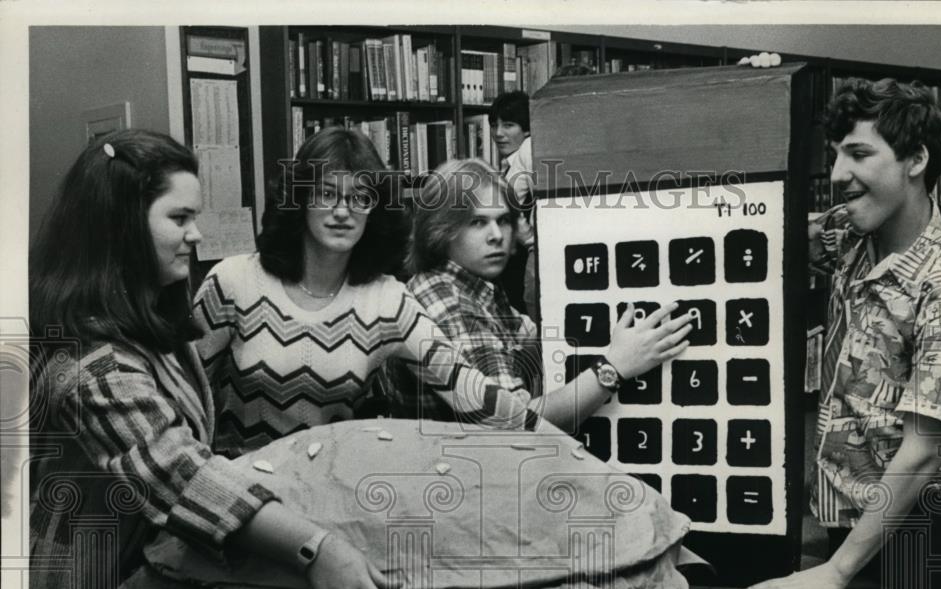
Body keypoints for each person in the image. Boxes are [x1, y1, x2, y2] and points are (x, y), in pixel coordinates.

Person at [28, 130, 400, 589]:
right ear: (121, 227)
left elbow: (202, 450)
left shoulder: (154, 331)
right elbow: (180, 474)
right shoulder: (91, 364)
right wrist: (316, 549)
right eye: (180, 217)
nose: (197, 234)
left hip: (147, 581)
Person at [744, 78, 941, 589]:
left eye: (858, 154)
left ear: (914, 160)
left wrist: (836, 570)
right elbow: (766, 228)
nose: (839, 174)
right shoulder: (853, 237)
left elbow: (920, 455)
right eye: (834, 154)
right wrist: (755, 97)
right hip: (856, 513)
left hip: (928, 522)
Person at [193, 126, 537, 462]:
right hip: (238, 494)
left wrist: (558, 439)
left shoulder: (387, 301)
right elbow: (184, 400)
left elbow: (471, 392)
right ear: (299, 199)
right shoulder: (233, 282)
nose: (343, 211)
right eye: (327, 193)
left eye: (360, 197)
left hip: (330, 493)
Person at [383, 157, 694, 433]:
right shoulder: (452, 303)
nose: (496, 235)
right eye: (477, 222)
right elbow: (517, 426)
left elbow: (529, 342)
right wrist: (615, 366)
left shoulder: (466, 285)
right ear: (440, 229)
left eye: (503, 220)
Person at [488, 90, 536, 316]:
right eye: (494, 125)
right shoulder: (509, 165)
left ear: (527, 129)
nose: (498, 133)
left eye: (508, 125)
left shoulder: (526, 156)